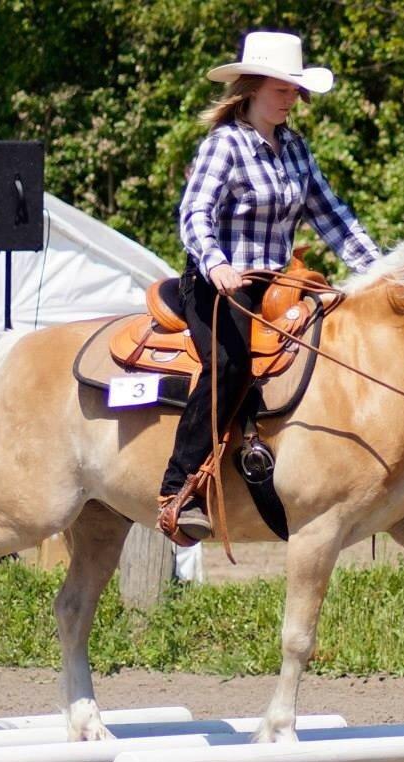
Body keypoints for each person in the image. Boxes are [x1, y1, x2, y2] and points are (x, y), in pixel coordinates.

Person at [158, 30, 381, 541]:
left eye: (295, 91)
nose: (292, 100)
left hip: (279, 285)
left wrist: (381, 274)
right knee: (229, 363)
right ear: (253, 87)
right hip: (219, 284)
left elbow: (334, 218)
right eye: (283, 89)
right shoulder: (225, 144)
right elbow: (195, 212)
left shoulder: (296, 149)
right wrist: (215, 263)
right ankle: (180, 488)